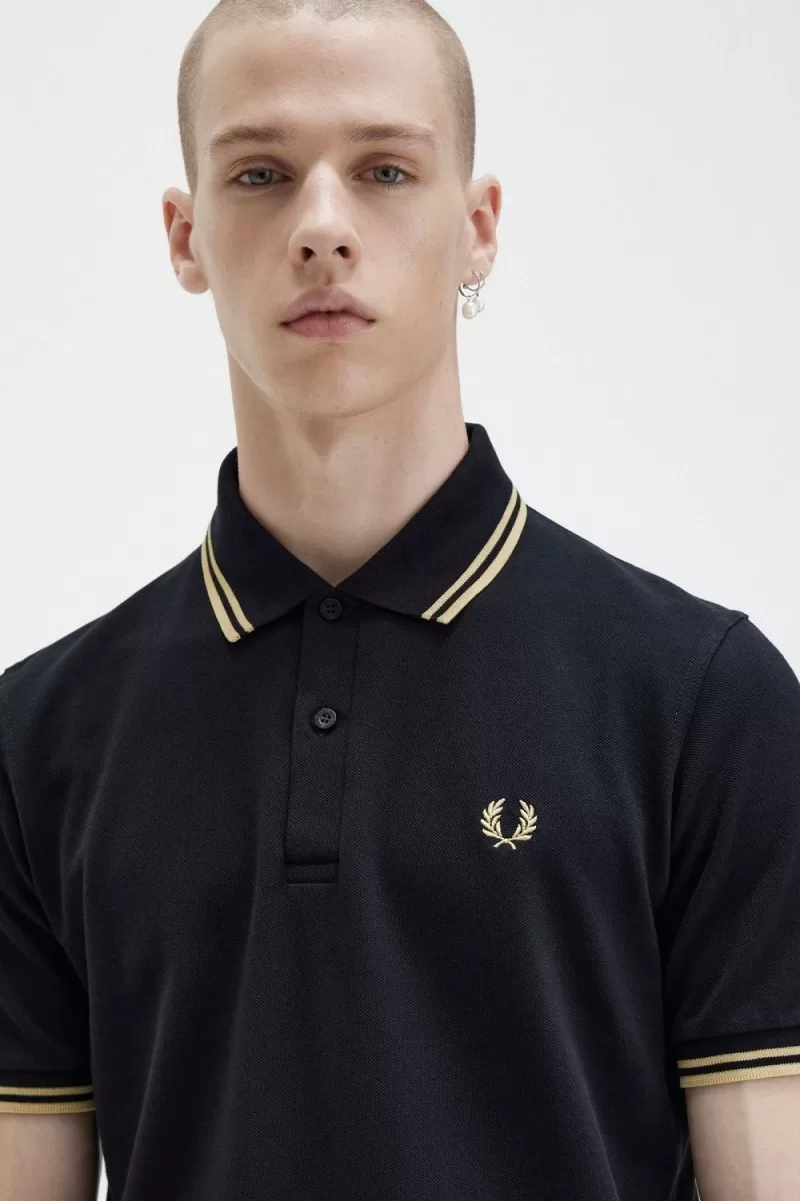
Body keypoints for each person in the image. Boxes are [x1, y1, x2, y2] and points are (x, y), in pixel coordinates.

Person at [1, 3, 799, 1200]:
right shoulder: (39, 743)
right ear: (184, 234)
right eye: (260, 174)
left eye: (382, 170)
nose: (321, 225)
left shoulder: (702, 704)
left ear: (476, 228)